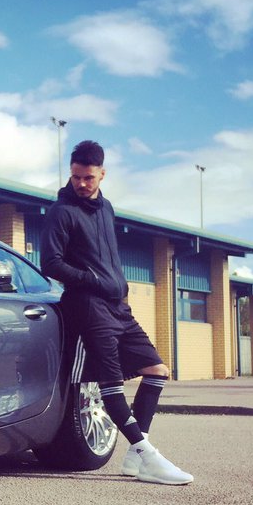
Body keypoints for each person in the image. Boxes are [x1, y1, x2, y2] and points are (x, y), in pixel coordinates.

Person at [41, 140, 193, 485]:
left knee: (156, 370)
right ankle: (148, 456)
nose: (82, 183)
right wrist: (92, 280)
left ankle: (135, 455)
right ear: (70, 173)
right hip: (88, 306)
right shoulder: (61, 212)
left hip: (118, 307)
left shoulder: (107, 208)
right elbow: (51, 263)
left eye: (89, 177)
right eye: (76, 177)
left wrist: (116, 286)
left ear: (102, 174)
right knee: (110, 383)